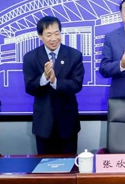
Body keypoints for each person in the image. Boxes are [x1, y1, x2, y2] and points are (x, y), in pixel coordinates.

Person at [23, 16, 84, 155]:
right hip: (43, 124)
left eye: (57, 33)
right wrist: (44, 77)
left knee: (69, 164)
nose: (54, 38)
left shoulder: (74, 55)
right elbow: (29, 87)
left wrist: (55, 81)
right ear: (40, 36)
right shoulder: (31, 57)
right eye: (49, 34)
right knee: (44, 165)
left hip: (68, 123)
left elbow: (77, 84)